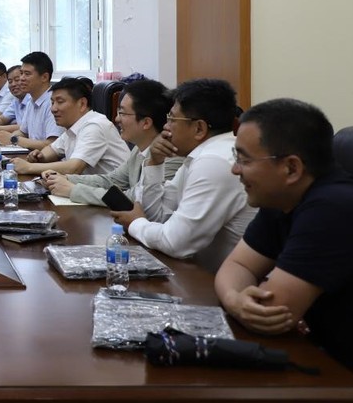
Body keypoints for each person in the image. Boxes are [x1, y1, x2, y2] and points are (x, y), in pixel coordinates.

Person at [215, 98, 353, 369]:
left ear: (291, 168)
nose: (235, 169)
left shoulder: (333, 208)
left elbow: (271, 313)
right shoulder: (282, 198)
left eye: (244, 159)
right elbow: (237, 265)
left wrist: (240, 299)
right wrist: (236, 300)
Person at [112, 78, 255, 273]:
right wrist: (155, 163)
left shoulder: (214, 162)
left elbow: (175, 244)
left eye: (172, 119)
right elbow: (158, 217)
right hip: (200, 274)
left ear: (199, 128)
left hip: (219, 282)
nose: (166, 127)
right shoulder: (199, 157)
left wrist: (135, 223)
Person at [42, 78, 184, 205]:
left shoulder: (170, 156)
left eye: (122, 113)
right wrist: (64, 179)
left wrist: (73, 190)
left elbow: (133, 198)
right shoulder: (139, 149)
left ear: (146, 123)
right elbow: (111, 180)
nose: (116, 119)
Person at [10, 76, 127, 177]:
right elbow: (51, 150)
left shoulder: (95, 126)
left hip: (115, 193)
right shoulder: (72, 128)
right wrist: (39, 156)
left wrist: (29, 167)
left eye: (60, 102)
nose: (53, 109)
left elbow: (74, 168)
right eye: (52, 102)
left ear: (82, 104)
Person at [0, 51, 64, 150]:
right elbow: (23, 132)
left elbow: (52, 145)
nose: (21, 78)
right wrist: (0, 137)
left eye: (27, 74)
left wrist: (13, 139)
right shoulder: (31, 101)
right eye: (21, 73)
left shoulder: (53, 103)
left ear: (44, 77)